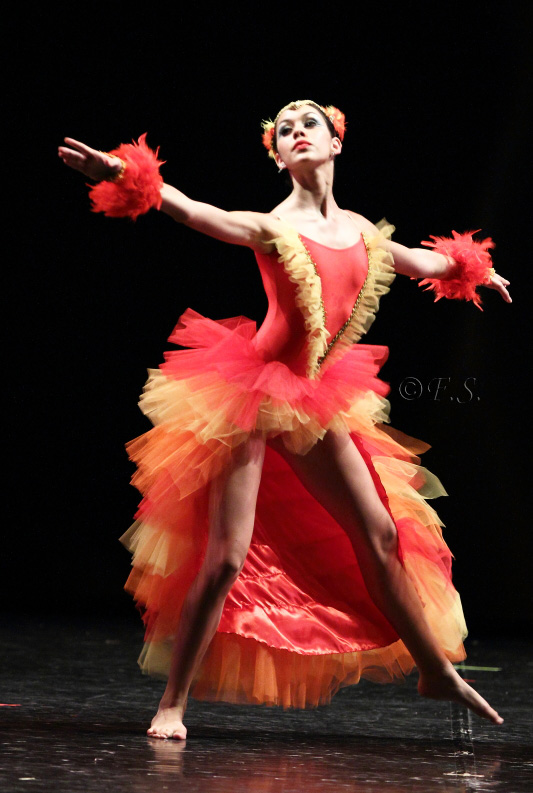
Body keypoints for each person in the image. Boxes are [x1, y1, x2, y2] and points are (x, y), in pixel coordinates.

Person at [58, 100, 511, 740]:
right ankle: (173, 702)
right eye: (285, 130)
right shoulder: (273, 226)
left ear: (335, 143)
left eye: (309, 124)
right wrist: (123, 173)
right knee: (225, 559)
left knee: (382, 535)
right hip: (251, 395)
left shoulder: (363, 233)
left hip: (315, 398)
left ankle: (434, 670)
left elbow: (424, 261)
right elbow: (197, 212)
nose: (297, 131)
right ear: (278, 157)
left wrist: (477, 270)